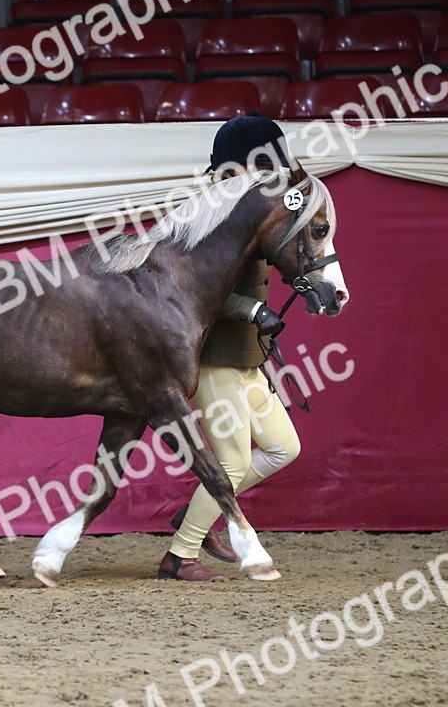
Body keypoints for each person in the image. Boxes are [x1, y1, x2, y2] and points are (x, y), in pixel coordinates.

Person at [158, 114, 303, 582]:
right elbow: (185, 289)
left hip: (247, 357)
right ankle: (180, 555)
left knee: (283, 447)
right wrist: (250, 310)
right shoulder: (201, 214)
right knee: (234, 462)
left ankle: (195, 516)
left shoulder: (251, 209)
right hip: (215, 355)